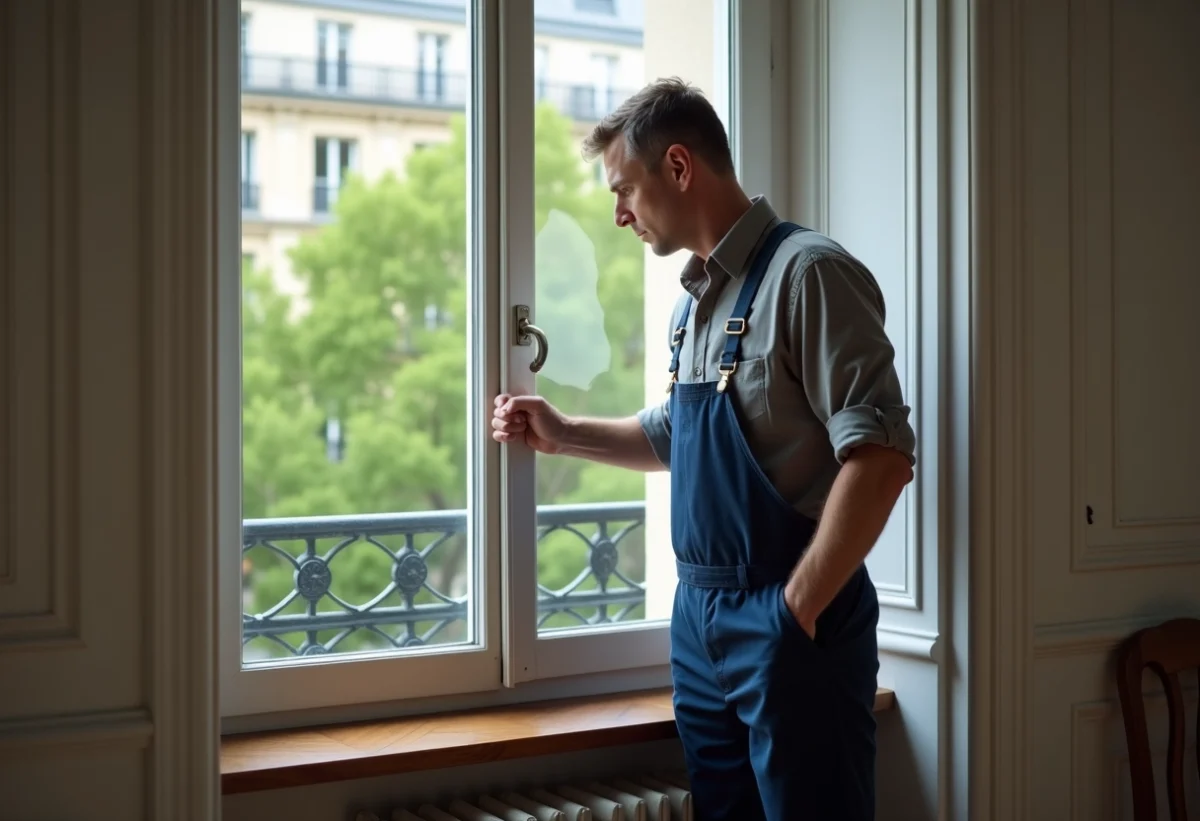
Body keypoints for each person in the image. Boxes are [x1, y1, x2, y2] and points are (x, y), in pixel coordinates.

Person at [492, 77, 915, 821]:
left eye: (624, 189)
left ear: (679, 166)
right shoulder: (692, 308)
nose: (619, 214)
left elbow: (880, 458)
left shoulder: (810, 274)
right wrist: (564, 433)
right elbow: (676, 434)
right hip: (699, 622)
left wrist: (794, 611)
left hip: (790, 613)